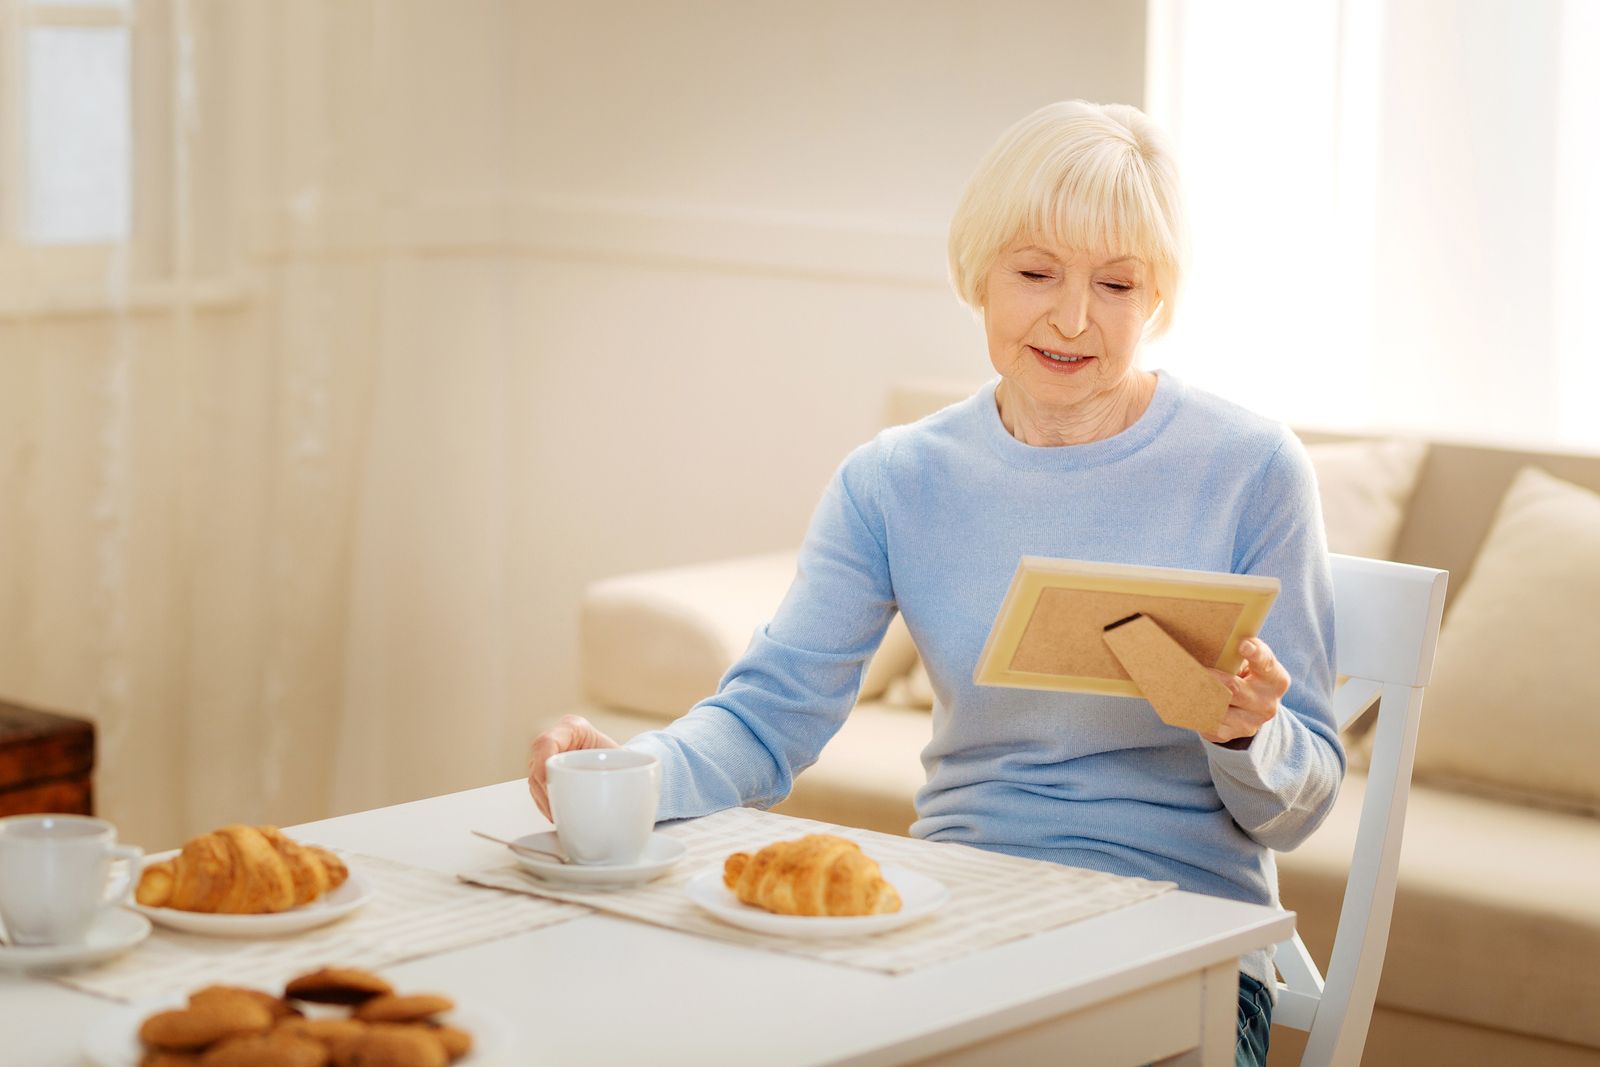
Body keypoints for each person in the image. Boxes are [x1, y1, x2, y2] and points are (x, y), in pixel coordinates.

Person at [528, 99, 1342, 1067]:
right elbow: (768, 713)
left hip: (1185, 941)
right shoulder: (896, 479)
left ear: (1156, 296)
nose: (1073, 317)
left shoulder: (1251, 468)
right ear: (978, 275)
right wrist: (627, 774)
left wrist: (1247, 728)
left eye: (1115, 284)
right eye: (1035, 272)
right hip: (954, 914)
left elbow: (1298, 803)